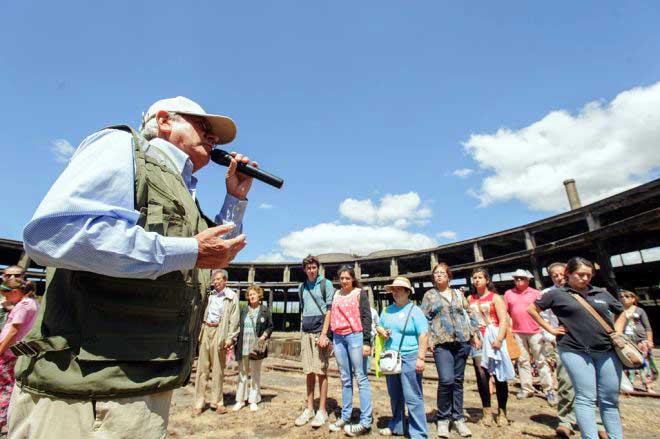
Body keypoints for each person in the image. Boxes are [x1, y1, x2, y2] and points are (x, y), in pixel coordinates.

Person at [12, 97, 256, 438]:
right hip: (86, 395)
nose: (213, 138)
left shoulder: (184, 192)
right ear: (165, 121)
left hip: (140, 388)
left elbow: (215, 254)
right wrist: (190, 249)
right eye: (204, 126)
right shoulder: (123, 146)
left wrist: (235, 199)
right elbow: (53, 233)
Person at [529, 257, 627, 439]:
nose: (585, 278)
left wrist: (618, 332)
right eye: (580, 274)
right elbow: (532, 309)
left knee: (609, 398)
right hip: (574, 349)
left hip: (606, 350)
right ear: (570, 274)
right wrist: (550, 329)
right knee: (585, 397)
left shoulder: (601, 293)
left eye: (588, 275)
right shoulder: (555, 294)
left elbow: (621, 311)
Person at [421, 263, 480, 438]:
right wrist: (429, 338)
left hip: (462, 341)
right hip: (442, 343)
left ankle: (458, 418)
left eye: (442, 273)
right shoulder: (430, 295)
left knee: (458, 381)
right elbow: (424, 319)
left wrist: (474, 335)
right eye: (436, 273)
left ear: (448, 276)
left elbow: (469, 313)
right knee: (446, 380)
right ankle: (443, 419)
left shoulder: (458, 294)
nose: (438, 276)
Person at [376, 276, 429, 439]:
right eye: (394, 289)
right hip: (391, 357)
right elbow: (379, 325)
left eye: (400, 289)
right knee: (395, 395)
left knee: (413, 396)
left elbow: (423, 335)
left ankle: (418, 433)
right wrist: (382, 331)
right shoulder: (387, 310)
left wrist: (421, 358)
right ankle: (397, 426)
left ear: (407, 292)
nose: (396, 292)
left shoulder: (415, 311)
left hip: (410, 356)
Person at [327, 266, 372, 436]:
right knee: (345, 378)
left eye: (347, 278)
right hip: (339, 338)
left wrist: (367, 341)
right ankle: (345, 416)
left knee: (361, 377)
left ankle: (366, 420)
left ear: (353, 279)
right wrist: (331, 337)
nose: (344, 281)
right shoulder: (336, 294)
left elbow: (366, 317)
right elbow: (332, 316)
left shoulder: (360, 293)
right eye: (342, 278)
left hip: (356, 336)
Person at [467, 268, 513, 427]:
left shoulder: (496, 298)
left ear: (487, 280)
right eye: (474, 278)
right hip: (478, 338)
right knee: (481, 375)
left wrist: (500, 339)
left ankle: (502, 411)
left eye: (480, 277)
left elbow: (503, 320)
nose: (477, 280)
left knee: (499, 376)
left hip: (493, 337)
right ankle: (486, 411)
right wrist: (473, 336)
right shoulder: (470, 298)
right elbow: (469, 320)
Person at [504, 269, 555, 405]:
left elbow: (543, 312)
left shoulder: (536, 293)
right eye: (516, 279)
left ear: (528, 280)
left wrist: (546, 329)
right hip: (518, 331)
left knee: (541, 360)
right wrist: (509, 329)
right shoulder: (509, 294)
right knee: (522, 361)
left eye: (521, 278)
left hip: (535, 331)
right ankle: (527, 388)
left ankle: (548, 389)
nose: (519, 281)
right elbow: (506, 312)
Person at [295, 255, 335, 428]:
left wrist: (325, 334)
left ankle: (322, 410)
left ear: (318, 268)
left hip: (321, 332)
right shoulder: (301, 287)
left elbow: (329, 310)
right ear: (304, 270)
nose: (311, 270)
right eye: (308, 268)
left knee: (321, 371)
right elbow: (303, 310)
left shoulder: (326, 284)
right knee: (308, 371)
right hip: (306, 331)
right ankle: (309, 408)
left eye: (314, 267)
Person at [194, 269, 240, 415]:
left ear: (225, 280)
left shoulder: (231, 297)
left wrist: (230, 338)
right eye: (214, 279)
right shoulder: (210, 296)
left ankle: (217, 402)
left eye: (219, 279)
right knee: (202, 369)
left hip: (220, 332)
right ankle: (198, 403)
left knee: (218, 370)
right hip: (206, 329)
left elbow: (234, 319)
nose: (215, 282)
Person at [0, 280, 38, 433]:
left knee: (4, 387)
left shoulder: (24, 306)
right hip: (13, 352)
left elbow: (14, 330)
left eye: (6, 294)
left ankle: (2, 419)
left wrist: (1, 349)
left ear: (15, 292)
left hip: (8, 353)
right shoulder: (31, 303)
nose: (5, 298)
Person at [233, 284, 273, 411]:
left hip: (256, 346)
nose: (251, 296)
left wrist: (264, 336)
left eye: (253, 294)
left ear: (259, 295)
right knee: (242, 373)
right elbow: (237, 326)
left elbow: (270, 326)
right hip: (243, 344)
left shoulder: (265, 310)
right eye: (249, 295)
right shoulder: (243, 310)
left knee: (255, 373)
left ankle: (253, 400)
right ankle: (240, 400)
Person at [620, 290, 655, 393]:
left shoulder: (639, 311)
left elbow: (647, 327)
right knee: (628, 362)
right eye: (622, 297)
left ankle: (648, 386)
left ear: (633, 299)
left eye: (627, 296)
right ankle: (629, 385)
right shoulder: (619, 311)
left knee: (644, 363)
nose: (624, 298)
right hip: (626, 340)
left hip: (641, 340)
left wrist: (649, 340)